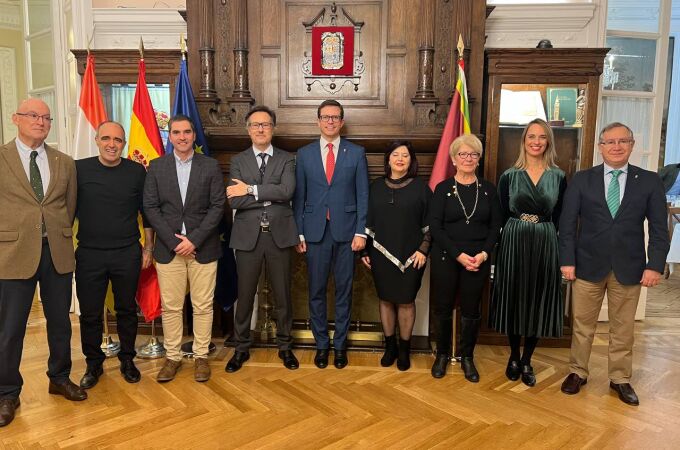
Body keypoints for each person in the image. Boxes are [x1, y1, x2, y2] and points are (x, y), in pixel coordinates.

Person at [559, 122, 669, 406]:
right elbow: (568, 225)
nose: (616, 146)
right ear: (600, 147)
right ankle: (577, 372)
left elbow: (659, 228)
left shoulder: (648, 181)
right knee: (583, 325)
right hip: (586, 266)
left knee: (623, 328)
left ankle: (620, 378)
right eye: (610, 142)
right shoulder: (582, 179)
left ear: (631, 145)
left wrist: (655, 265)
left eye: (623, 141)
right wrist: (567, 261)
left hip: (630, 267)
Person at [0, 98, 86, 428]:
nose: (40, 121)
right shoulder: (3, 157)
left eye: (46, 117)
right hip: (13, 254)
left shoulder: (64, 162)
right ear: (15, 118)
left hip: (57, 253)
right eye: (33, 116)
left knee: (61, 324)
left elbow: (70, 205)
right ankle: (7, 392)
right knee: (9, 329)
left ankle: (59, 377)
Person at [143, 114, 225, 383]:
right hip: (169, 250)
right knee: (171, 307)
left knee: (202, 306)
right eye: (176, 132)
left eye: (187, 132)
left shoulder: (210, 166)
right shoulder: (156, 167)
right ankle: (173, 357)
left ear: (193, 135)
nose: (182, 137)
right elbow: (151, 208)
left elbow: (217, 207)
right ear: (170, 136)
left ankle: (201, 356)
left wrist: (195, 240)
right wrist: (174, 242)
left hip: (203, 248)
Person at [75, 121, 154, 389]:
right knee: (90, 314)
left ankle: (127, 360)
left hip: (127, 252)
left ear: (124, 144)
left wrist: (149, 248)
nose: (112, 144)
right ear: (97, 140)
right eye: (106, 138)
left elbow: (147, 214)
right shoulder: (79, 169)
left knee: (127, 310)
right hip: (89, 254)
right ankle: (93, 364)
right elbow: (65, 210)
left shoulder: (136, 171)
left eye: (118, 140)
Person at [490, 118, 567, 387]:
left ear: (548, 142)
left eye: (542, 137)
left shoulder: (558, 177)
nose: (536, 141)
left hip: (545, 240)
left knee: (538, 297)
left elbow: (560, 218)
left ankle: (527, 359)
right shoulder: (509, 176)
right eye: (531, 136)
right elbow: (499, 216)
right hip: (513, 238)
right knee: (514, 297)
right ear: (524, 141)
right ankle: (512, 355)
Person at [293, 100, 369, 369]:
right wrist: (299, 233)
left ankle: (340, 346)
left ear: (342, 121)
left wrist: (361, 231)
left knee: (343, 292)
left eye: (335, 117)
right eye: (325, 117)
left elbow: (362, 195)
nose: (330, 121)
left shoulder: (356, 153)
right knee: (315, 291)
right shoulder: (304, 154)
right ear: (318, 121)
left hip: (348, 233)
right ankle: (321, 345)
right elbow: (299, 197)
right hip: (315, 233)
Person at [225, 106, 299, 372]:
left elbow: (288, 191)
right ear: (248, 129)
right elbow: (235, 199)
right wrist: (269, 195)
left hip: (279, 236)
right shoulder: (238, 160)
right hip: (247, 238)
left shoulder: (287, 158)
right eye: (255, 125)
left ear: (273, 128)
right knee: (244, 296)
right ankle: (241, 348)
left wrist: (251, 189)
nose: (260, 129)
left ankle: (285, 347)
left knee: (283, 295)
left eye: (265, 125)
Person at [429, 134, 502, 381]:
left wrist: (483, 254)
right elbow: (435, 228)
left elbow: (495, 227)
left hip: (478, 260)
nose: (468, 158)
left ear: (479, 159)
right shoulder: (442, 189)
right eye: (463, 154)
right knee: (443, 307)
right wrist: (458, 255)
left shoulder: (489, 190)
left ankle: (467, 357)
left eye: (473, 154)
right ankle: (442, 355)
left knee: (471, 310)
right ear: (453, 159)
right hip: (446, 257)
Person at [360, 141, 431, 371]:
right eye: (396, 154)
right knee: (386, 299)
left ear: (411, 161)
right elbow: (366, 220)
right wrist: (364, 250)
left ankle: (404, 349)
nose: (400, 159)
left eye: (405, 155)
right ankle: (389, 347)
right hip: (380, 254)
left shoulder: (421, 188)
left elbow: (431, 223)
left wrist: (423, 249)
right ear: (388, 159)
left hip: (413, 256)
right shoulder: (376, 186)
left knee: (406, 300)